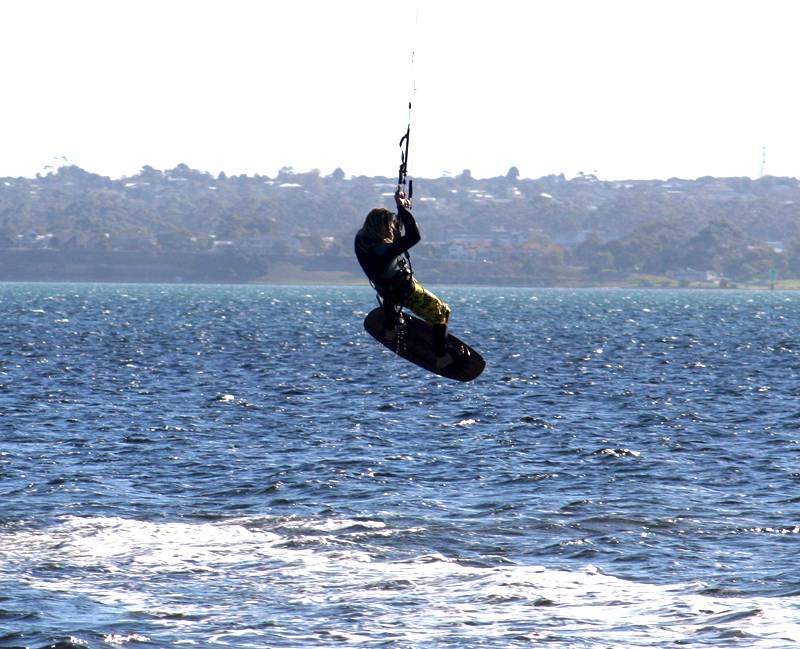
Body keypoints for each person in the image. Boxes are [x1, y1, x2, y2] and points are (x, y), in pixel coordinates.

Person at [355, 189, 467, 369]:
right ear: (383, 228)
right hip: (405, 291)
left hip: (385, 290)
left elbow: (393, 236)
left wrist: (401, 211)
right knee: (442, 312)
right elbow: (415, 236)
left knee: (389, 295)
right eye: (390, 226)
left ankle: (391, 328)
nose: (392, 228)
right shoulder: (385, 251)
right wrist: (401, 208)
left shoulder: (361, 241)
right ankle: (441, 357)